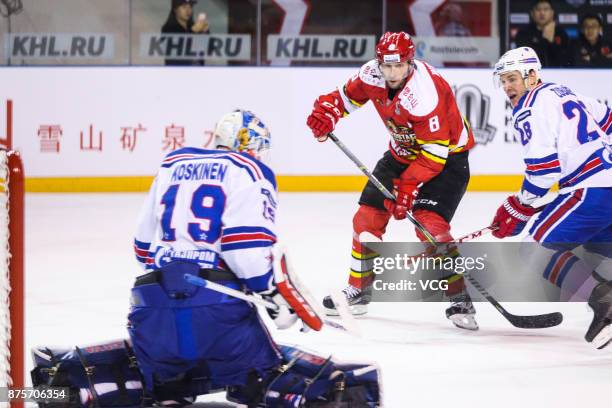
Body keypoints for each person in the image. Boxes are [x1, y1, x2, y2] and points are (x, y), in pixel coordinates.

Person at [128, 109, 381, 406]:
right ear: (248, 146)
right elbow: (244, 252)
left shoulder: (173, 163)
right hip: (216, 314)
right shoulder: (249, 170)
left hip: (149, 308)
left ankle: (167, 385)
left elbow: (143, 247)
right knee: (263, 375)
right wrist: (271, 293)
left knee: (167, 381)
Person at [305, 31, 478, 330]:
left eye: (399, 66)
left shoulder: (426, 94)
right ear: (379, 62)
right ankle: (359, 290)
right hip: (401, 154)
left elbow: (434, 157)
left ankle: (459, 296)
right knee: (365, 219)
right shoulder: (372, 74)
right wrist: (327, 113)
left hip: (447, 158)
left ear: (410, 62)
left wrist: (407, 188)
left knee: (430, 227)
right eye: (387, 66)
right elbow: (344, 98)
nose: (392, 72)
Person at [491, 46, 612, 349]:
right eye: (502, 81)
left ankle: (605, 302)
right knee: (599, 243)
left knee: (534, 247)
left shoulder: (531, 106)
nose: (507, 87)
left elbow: (544, 170)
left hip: (591, 189)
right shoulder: (562, 92)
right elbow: (608, 119)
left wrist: (519, 207)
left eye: (512, 79)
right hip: (601, 183)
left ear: (531, 76)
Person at [514, 0, 570, 67]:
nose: (542, 13)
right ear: (532, 13)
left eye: (546, 9)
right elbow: (525, 58)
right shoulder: (523, 33)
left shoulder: (560, 32)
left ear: (552, 13)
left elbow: (566, 59)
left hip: (557, 74)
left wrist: (551, 42)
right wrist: (544, 39)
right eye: (538, 9)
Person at [161, 0, 210, 66]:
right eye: (184, 7)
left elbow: (208, 50)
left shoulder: (194, 27)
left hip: (198, 71)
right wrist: (193, 31)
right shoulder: (168, 28)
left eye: (190, 7)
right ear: (175, 9)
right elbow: (177, 51)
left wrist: (205, 32)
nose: (188, 11)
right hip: (177, 72)